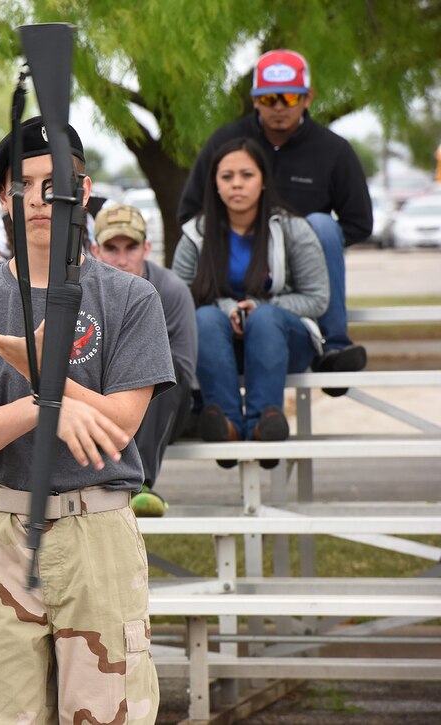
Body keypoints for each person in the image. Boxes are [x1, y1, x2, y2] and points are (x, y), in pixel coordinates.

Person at [0, 116, 172, 724]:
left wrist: (45, 372)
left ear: (84, 189)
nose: (42, 199)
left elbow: (118, 429)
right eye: (24, 184)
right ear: (2, 195)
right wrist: (40, 403)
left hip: (96, 531)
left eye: (58, 183)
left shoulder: (131, 299)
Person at [178, 50, 369, 392]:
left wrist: (298, 246)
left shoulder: (333, 149)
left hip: (303, 268)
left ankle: (334, 345)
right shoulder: (226, 142)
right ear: (255, 101)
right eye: (269, 97)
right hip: (232, 266)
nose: (279, 106)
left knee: (322, 225)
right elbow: (190, 211)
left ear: (308, 97)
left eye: (290, 96)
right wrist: (240, 233)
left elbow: (359, 222)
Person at [172, 137, 329, 470]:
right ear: (214, 183)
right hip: (218, 345)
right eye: (227, 177)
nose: (237, 184)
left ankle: (264, 422)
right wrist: (228, 308)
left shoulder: (292, 230)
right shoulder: (195, 235)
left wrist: (257, 309)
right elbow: (178, 300)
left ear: (264, 180)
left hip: (283, 343)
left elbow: (317, 297)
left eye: (247, 175)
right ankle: (226, 424)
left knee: (266, 318)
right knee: (202, 317)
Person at [92, 205, 197, 517]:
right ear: (95, 250)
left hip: (162, 406)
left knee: (168, 369)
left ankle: (141, 483)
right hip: (101, 401)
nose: (122, 259)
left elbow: (185, 369)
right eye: (111, 248)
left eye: (131, 247)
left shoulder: (172, 290)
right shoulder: (82, 290)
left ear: (147, 248)